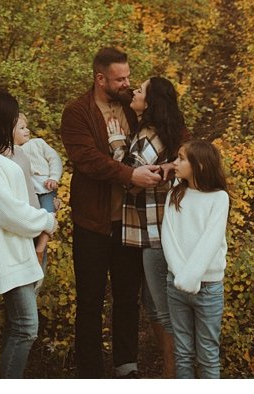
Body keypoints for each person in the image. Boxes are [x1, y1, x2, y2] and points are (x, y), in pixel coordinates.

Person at [60, 46, 158, 377]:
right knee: (90, 301)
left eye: (129, 76)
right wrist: (130, 174)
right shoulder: (76, 113)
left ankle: (126, 367)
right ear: (100, 79)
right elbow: (87, 159)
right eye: (120, 78)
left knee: (127, 298)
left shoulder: (132, 106)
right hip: (92, 222)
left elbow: (163, 126)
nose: (127, 82)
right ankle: (89, 372)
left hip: (130, 220)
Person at [0, 89, 58, 378]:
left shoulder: (2, 155)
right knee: (26, 328)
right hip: (8, 254)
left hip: (25, 249)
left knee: (17, 326)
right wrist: (45, 220)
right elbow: (7, 210)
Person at [124, 77, 186, 376]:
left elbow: (132, 181)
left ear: (148, 102)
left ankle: (175, 372)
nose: (134, 91)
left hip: (155, 232)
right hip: (158, 230)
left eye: (140, 90)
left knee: (163, 308)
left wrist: (114, 145)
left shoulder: (148, 136)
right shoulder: (157, 132)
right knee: (155, 303)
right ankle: (173, 368)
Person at [163, 140, 230, 379]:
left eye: (181, 158)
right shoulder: (175, 194)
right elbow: (168, 237)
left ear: (199, 165)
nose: (175, 163)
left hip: (208, 288)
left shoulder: (219, 198)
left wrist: (189, 278)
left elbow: (210, 242)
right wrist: (182, 279)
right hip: (176, 285)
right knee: (182, 354)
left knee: (208, 355)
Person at [10, 112, 59, 267]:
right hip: (29, 194)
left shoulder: (38, 143)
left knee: (49, 215)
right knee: (34, 223)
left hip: (45, 188)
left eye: (27, 127)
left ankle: (40, 249)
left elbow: (55, 159)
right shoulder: (11, 151)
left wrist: (54, 178)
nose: (27, 130)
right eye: (22, 128)